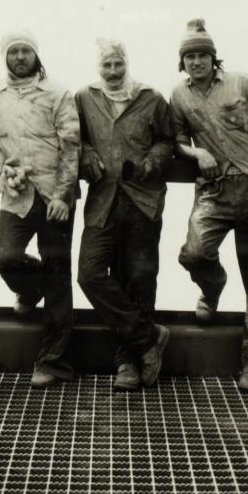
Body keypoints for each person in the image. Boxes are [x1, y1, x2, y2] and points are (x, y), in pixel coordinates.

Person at [169, 19, 248, 393]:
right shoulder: (179, 95)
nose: (196, 62)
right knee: (194, 253)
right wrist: (197, 151)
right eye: (190, 56)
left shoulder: (241, 83)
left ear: (214, 58)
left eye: (202, 55)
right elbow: (177, 137)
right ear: (183, 61)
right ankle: (213, 287)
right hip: (216, 188)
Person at [0, 30, 80, 387]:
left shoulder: (58, 93)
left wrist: (64, 196)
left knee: (58, 272)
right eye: (14, 52)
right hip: (16, 192)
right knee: (4, 256)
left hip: (55, 196)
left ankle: (53, 362)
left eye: (26, 51)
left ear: (36, 56)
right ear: (5, 56)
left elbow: (71, 147)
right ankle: (31, 289)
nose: (20, 57)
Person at [75, 38, 175, 391]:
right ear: (98, 68)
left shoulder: (151, 98)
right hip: (103, 201)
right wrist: (86, 154)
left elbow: (167, 140)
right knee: (89, 274)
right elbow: (77, 138)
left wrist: (153, 162)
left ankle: (128, 364)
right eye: (107, 66)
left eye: (118, 65)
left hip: (143, 200)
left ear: (126, 64)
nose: (113, 72)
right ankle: (148, 339)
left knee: (139, 280)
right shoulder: (84, 98)